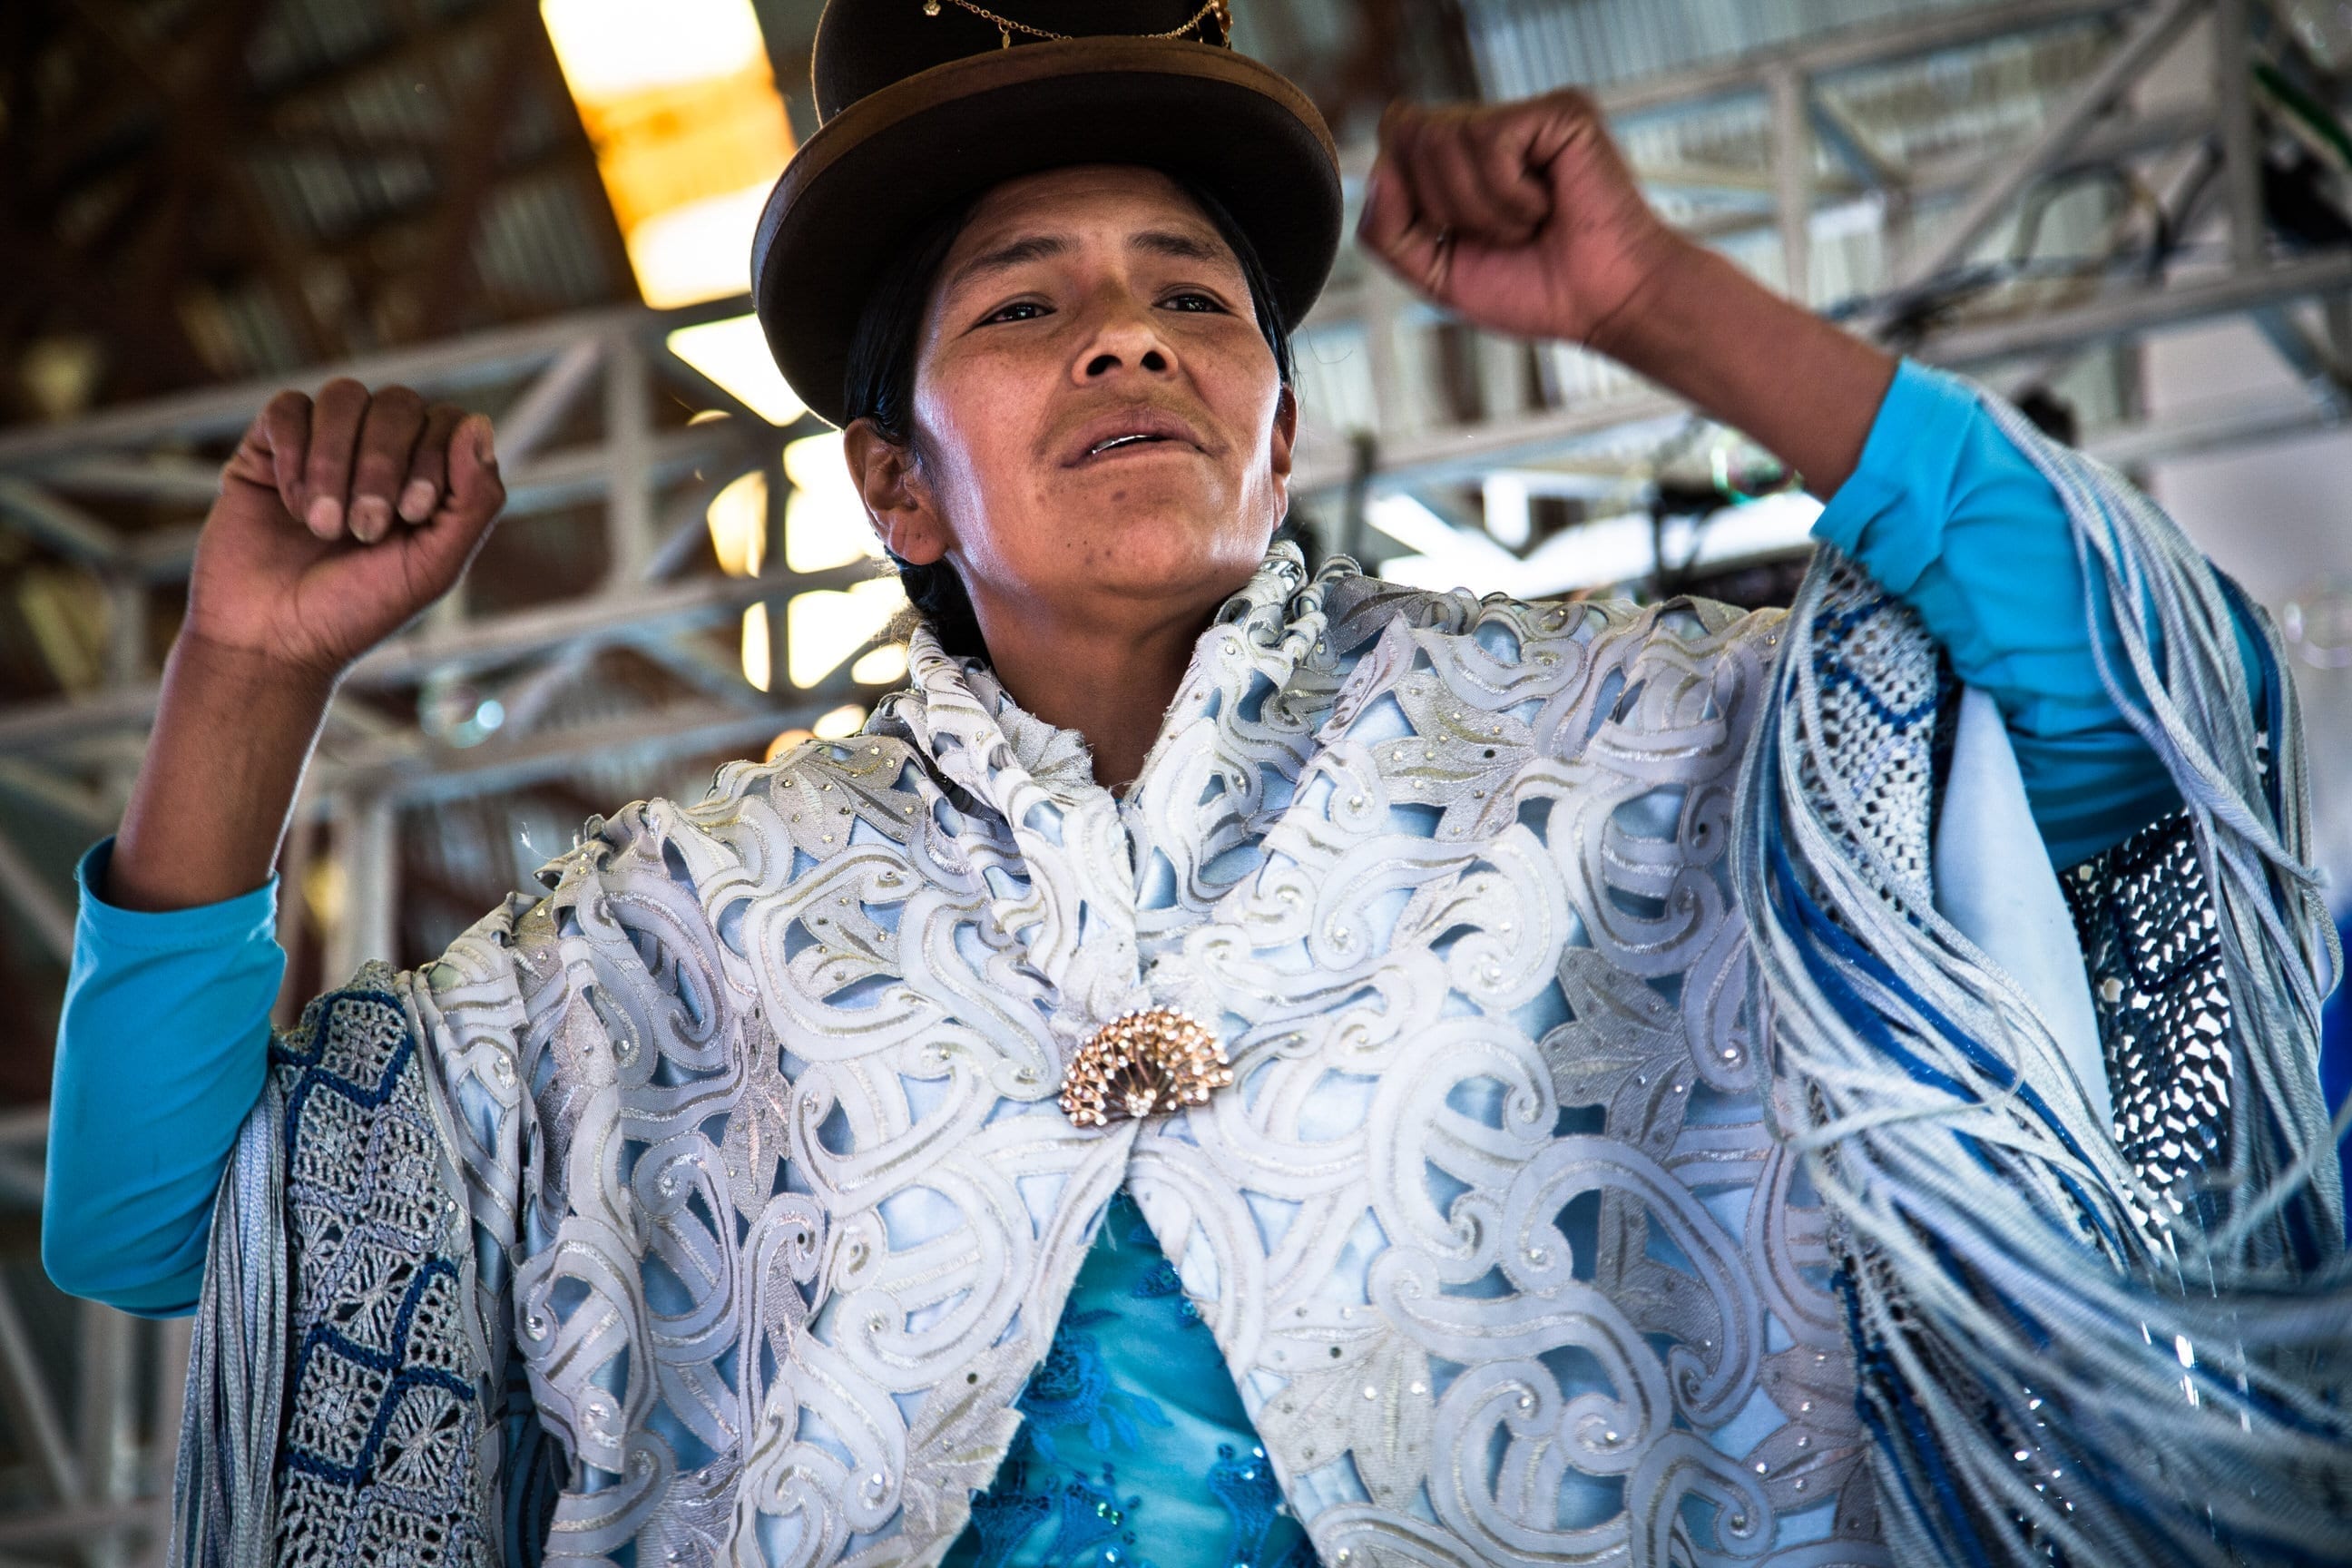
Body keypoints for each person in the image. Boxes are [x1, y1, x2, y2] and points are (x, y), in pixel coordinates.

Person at [43, 4, 2349, 1566]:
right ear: (899, 491)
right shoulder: (682, 922)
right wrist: (245, 671)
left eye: (1197, 297)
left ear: (1281, 424)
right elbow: (162, 1228)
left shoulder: (1642, 742)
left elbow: (2138, 688)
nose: (1129, 328)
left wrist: (1662, 306)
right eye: (1024, 305)